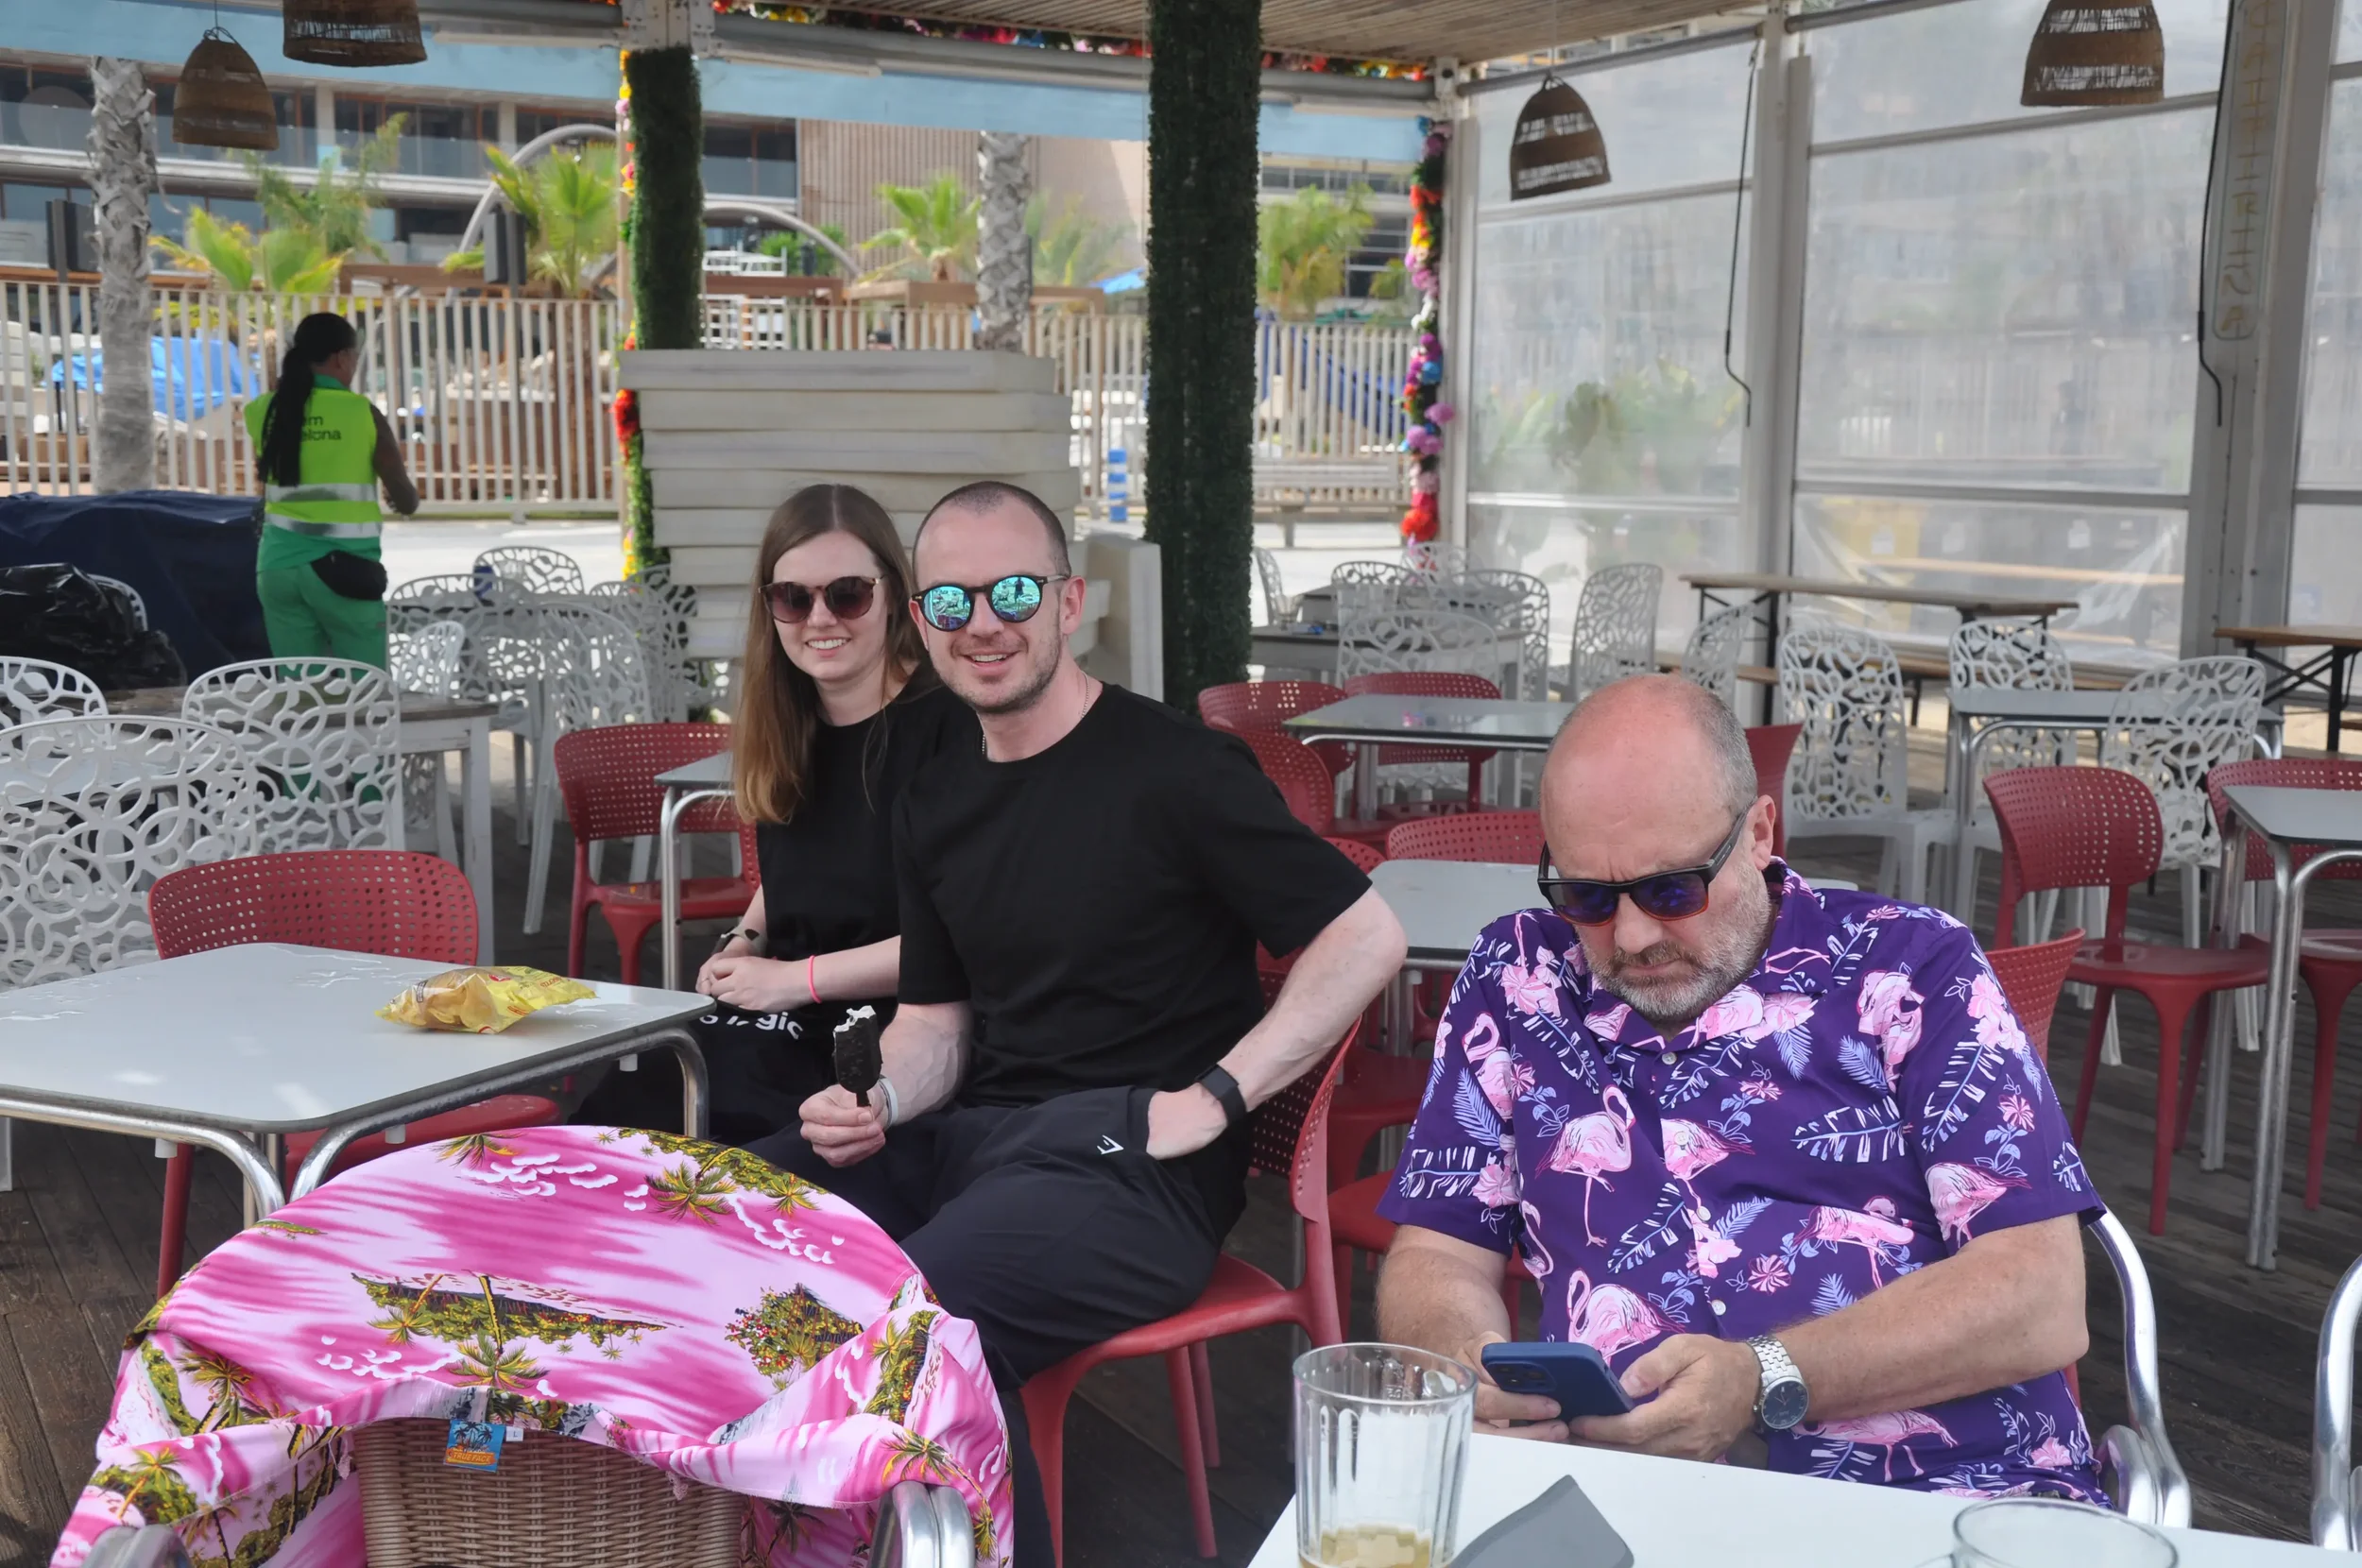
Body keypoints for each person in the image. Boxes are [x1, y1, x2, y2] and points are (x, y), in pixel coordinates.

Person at [745, 481, 1407, 1565]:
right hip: (971, 1139)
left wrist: (1218, 1096)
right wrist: (880, 1099)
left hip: (1131, 1167)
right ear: (922, 621)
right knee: (728, 1220)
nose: (983, 624)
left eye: (1012, 591)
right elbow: (938, 1020)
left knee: (919, 1324)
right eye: (951, 602)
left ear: (1069, 602)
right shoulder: (933, 784)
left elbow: (1365, 936)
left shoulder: (1177, 768)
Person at [1377, 674, 2104, 1502]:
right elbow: (1435, 1253)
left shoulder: (1910, 968)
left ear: (1760, 833)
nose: (1633, 936)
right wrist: (1463, 1367)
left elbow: (2040, 1296)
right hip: (1624, 1492)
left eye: (1671, 889)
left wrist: (1765, 1377)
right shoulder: (1519, 979)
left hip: (1949, 1491)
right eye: (1585, 896)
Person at [574, 484, 973, 1144]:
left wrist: (793, 981)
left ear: (895, 597)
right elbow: (803, 864)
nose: (821, 618)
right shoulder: (786, 722)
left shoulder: (948, 731)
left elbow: (961, 939)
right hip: (771, 1017)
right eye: (794, 597)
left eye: (848, 593)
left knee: (720, 1174)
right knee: (602, 1130)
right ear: (770, 608)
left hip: (883, 1041)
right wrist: (746, 939)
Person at [244, 313, 419, 668]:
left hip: (277, 567)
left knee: (301, 695)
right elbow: (406, 499)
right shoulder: (361, 413)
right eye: (355, 357)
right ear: (342, 357)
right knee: (366, 691)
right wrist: (396, 495)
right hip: (344, 571)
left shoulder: (263, 411)